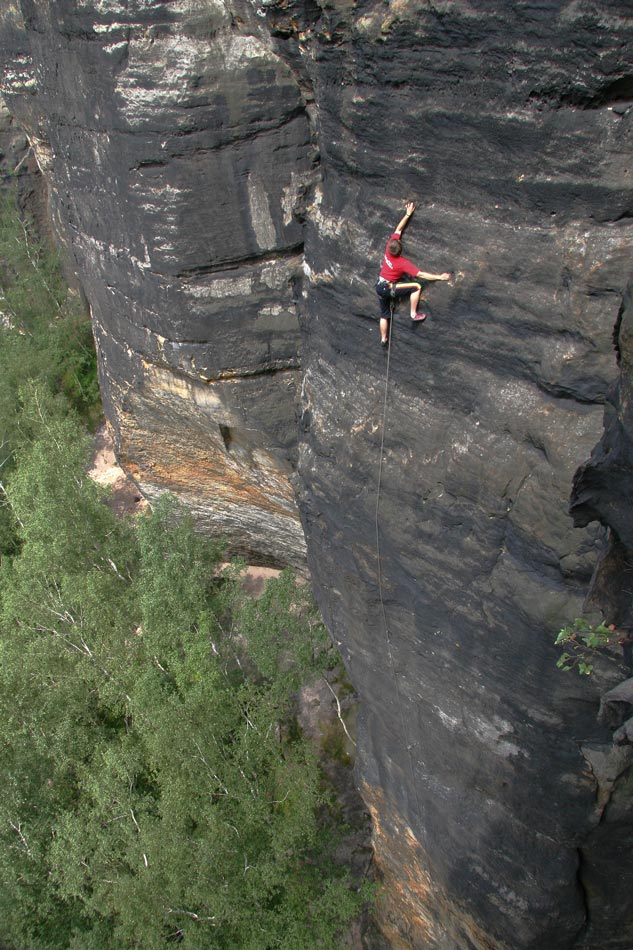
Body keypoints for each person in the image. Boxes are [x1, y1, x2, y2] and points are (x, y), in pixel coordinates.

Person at [375, 202, 451, 345]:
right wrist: (439, 277)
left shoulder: (388, 247)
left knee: (384, 315)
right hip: (389, 288)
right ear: (400, 250)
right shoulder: (402, 263)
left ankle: (383, 338)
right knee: (416, 286)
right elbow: (421, 275)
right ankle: (413, 314)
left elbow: (398, 229)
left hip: (379, 286)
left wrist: (408, 214)